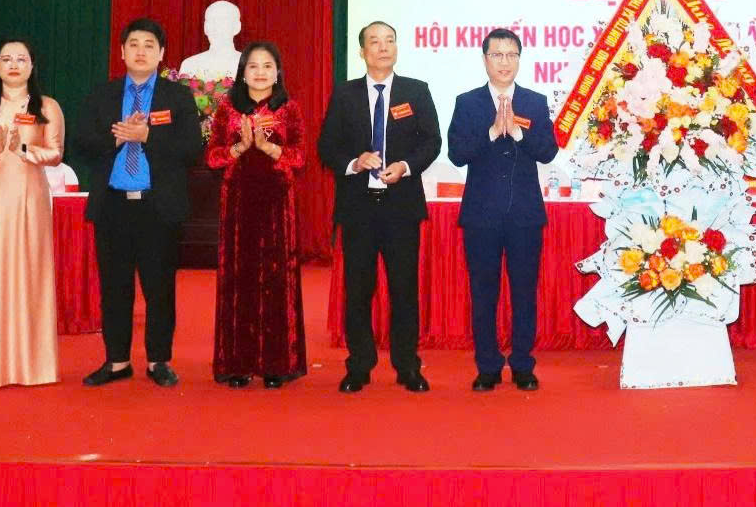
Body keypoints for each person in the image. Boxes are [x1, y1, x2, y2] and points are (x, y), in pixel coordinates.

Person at [72, 18, 203, 388]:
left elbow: (192, 148)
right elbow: (81, 144)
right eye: (133, 44)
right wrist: (115, 140)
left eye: (149, 45)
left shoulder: (177, 97)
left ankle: (159, 361)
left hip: (158, 207)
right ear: (122, 52)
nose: (141, 51)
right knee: (115, 288)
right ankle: (117, 361)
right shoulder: (103, 95)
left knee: (159, 289)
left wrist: (148, 136)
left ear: (161, 54)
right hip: (113, 206)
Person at [318, 21, 441, 393]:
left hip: (401, 207)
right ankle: (359, 365)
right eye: (374, 41)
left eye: (389, 40)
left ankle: (408, 366)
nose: (383, 47)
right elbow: (327, 147)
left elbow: (431, 142)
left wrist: (405, 166)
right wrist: (354, 162)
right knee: (358, 290)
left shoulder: (416, 91)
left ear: (396, 48)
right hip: (359, 208)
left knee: (404, 290)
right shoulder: (345, 94)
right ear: (362, 52)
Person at [447, 28, 560, 391]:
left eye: (511, 55)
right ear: (485, 60)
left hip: (525, 215)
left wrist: (520, 134)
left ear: (519, 59)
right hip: (481, 215)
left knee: (524, 293)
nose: (504, 62)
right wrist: (493, 132)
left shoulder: (534, 101)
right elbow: (457, 153)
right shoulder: (468, 103)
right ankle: (488, 366)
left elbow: (548, 151)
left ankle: (523, 365)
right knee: (484, 294)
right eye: (497, 55)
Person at [0, 39, 65, 387]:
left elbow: (56, 154)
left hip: (31, 198)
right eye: (6, 59)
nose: (14, 65)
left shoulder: (47, 106)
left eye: (21, 59)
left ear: (32, 66)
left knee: (30, 271)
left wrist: (22, 148)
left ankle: (34, 364)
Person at [206, 42, 307, 389]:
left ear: (277, 72)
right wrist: (239, 147)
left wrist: (268, 147)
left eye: (267, 66)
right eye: (253, 66)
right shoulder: (227, 108)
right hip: (238, 201)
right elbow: (213, 157)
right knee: (240, 279)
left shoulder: (289, 108)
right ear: (242, 72)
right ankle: (238, 364)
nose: (260, 72)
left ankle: (277, 363)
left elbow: (300, 157)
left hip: (278, 202)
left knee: (277, 280)